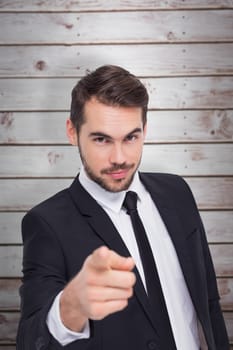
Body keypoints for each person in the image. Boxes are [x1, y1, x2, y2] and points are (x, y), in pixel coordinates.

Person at [16, 65, 229, 350]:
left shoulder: (177, 193)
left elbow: (208, 303)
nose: (119, 158)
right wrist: (69, 308)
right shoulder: (46, 223)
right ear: (72, 132)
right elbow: (31, 341)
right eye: (102, 139)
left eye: (131, 137)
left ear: (145, 130)